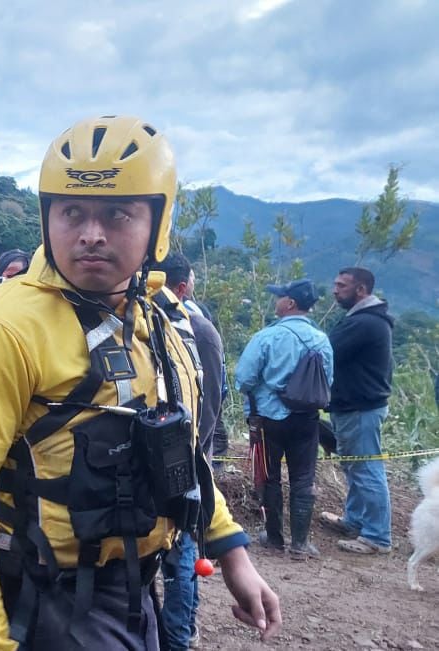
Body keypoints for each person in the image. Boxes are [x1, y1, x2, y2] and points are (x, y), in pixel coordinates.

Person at [0, 115, 280, 650]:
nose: (91, 234)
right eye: (72, 212)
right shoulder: (3, 328)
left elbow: (180, 454)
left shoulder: (157, 321)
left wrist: (232, 553)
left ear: (157, 225)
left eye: (118, 213)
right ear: (48, 216)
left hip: (133, 590)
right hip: (45, 599)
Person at [151, 252, 227, 649]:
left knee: (183, 555)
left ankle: (179, 635)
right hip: (159, 459)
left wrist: (191, 454)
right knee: (177, 554)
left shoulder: (200, 331)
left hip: (187, 461)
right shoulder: (142, 323)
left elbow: (209, 405)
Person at [236, 279, 334, 563]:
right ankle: (300, 544)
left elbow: (244, 379)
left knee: (269, 476)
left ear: (290, 303)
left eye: (280, 297)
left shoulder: (267, 337)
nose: (275, 301)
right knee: (304, 479)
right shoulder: (322, 340)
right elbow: (328, 383)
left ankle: (274, 538)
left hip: (268, 419)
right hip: (307, 420)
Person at [320, 267, 395, 554]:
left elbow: (327, 350)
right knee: (354, 466)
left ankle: (377, 537)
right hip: (355, 406)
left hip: (360, 408)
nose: (335, 290)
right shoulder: (366, 319)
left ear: (361, 290)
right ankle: (355, 520)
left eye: (342, 285)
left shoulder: (365, 323)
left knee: (366, 468)